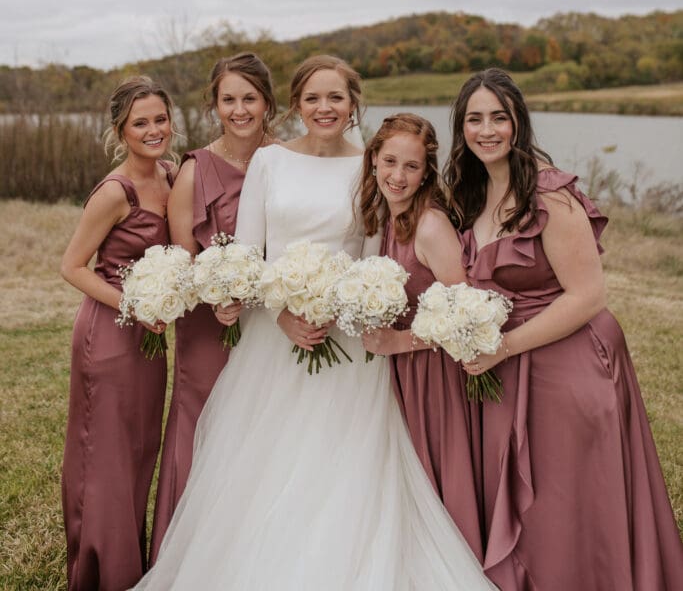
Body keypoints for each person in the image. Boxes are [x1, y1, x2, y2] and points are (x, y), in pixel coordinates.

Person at [132, 56, 496, 591]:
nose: (324, 108)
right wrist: (281, 313)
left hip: (349, 342)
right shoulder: (269, 162)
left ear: (354, 105)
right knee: (265, 463)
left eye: (337, 98)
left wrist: (346, 308)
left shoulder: (368, 166)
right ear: (296, 104)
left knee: (342, 464)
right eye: (313, 98)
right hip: (272, 338)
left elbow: (375, 259)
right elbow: (252, 253)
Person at [445, 67, 683, 591]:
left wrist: (503, 346)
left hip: (565, 363)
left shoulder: (548, 194)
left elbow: (588, 295)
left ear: (519, 123)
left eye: (499, 118)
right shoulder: (472, 192)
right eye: (474, 119)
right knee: (530, 507)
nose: (487, 130)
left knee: (565, 500)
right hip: (506, 367)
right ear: (460, 127)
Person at [149, 52, 277, 561]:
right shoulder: (194, 170)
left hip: (273, 320)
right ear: (214, 105)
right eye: (229, 99)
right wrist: (217, 294)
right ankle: (188, 553)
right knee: (202, 424)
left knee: (265, 426)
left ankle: (257, 551)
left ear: (268, 103)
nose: (239, 109)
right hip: (210, 325)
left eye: (249, 98)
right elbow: (184, 260)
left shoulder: (287, 159)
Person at [61, 76, 177, 591]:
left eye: (160, 119)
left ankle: (131, 564)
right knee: (104, 454)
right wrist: (137, 303)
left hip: (149, 341)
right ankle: (101, 573)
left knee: (138, 449)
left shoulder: (173, 175)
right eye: (140, 123)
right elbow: (72, 266)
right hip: (108, 334)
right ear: (120, 131)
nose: (154, 130)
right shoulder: (115, 191)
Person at [358, 112, 483, 560]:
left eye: (411, 167)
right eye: (390, 161)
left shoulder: (430, 225)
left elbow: (464, 316)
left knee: (437, 479)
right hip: (402, 375)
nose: (398, 175)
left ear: (427, 171)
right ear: (373, 159)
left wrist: (398, 342)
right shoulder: (384, 218)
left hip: (434, 373)